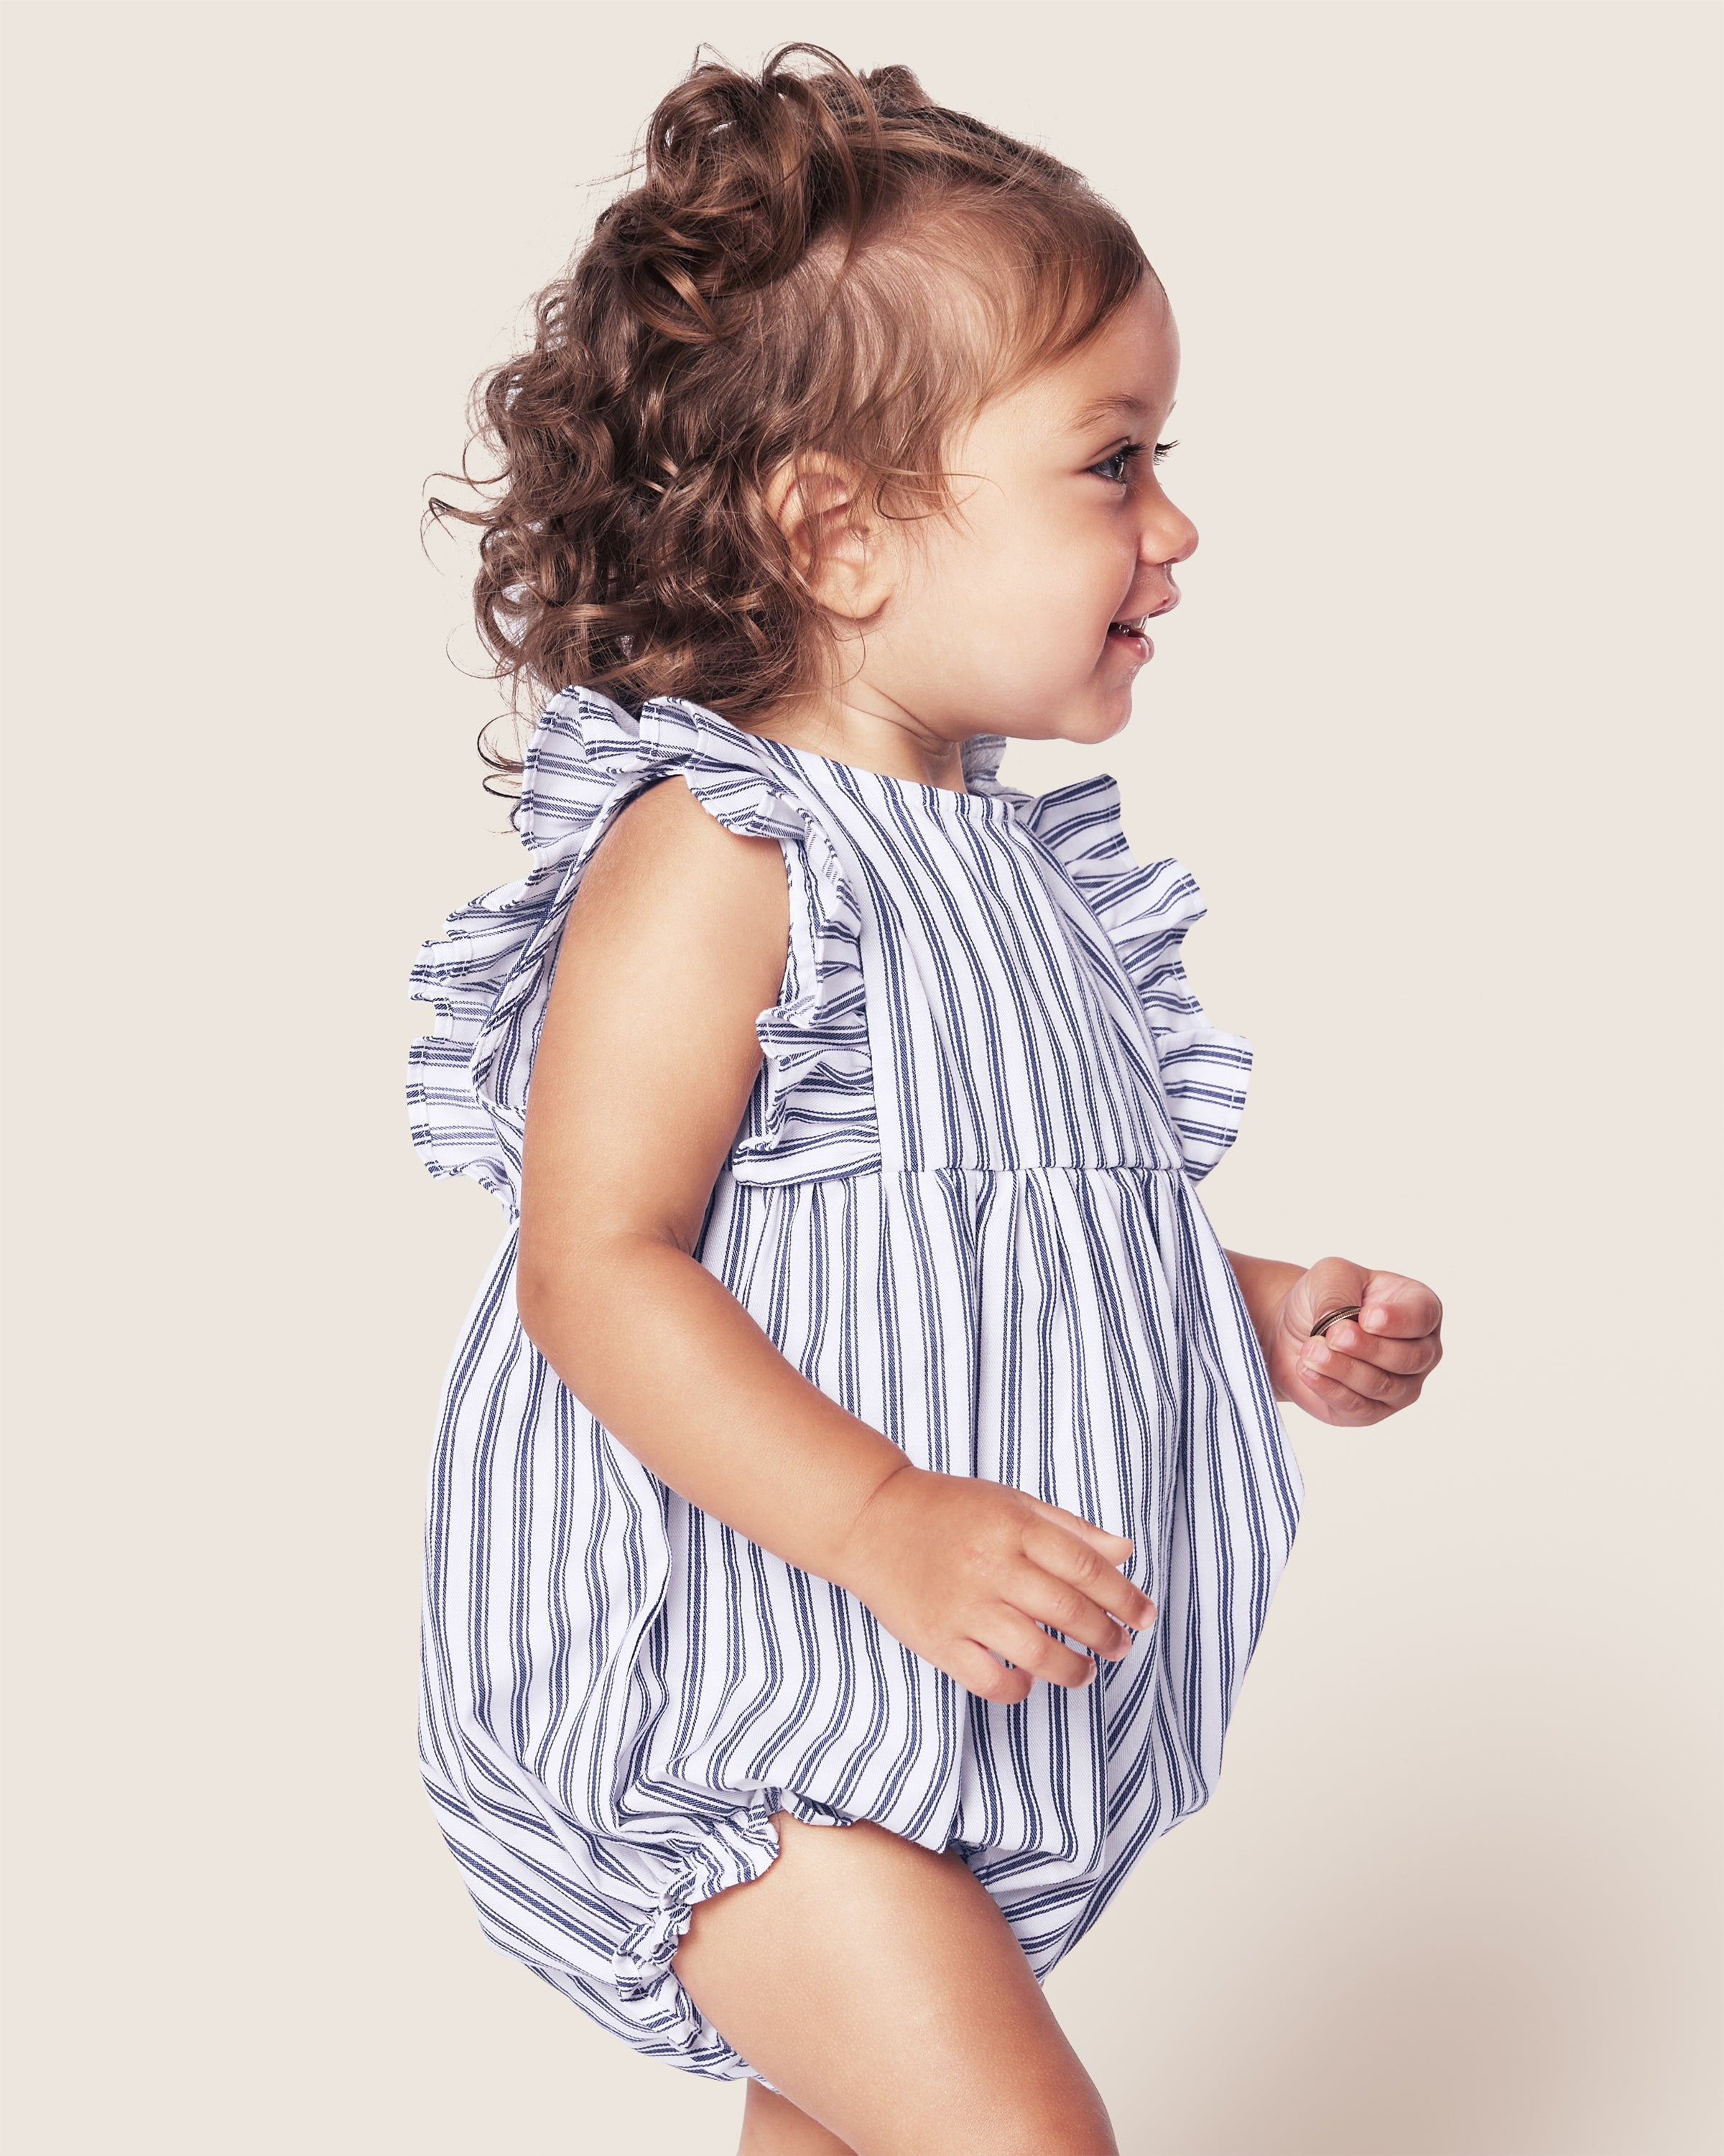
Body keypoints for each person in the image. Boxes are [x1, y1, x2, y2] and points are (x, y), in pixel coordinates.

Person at [407, 42, 1444, 2156]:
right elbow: (596, 1264)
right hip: (736, 1701)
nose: (1175, 526)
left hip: (926, 1705)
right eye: (1111, 464)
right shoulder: (723, 852)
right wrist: (878, 1518)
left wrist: (1251, 1308)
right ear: (842, 533)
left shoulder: (1011, 866)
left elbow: (1011, 1222)